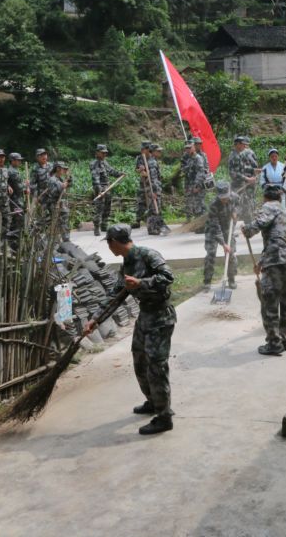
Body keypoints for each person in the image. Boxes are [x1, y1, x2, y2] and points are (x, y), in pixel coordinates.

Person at [83, 224, 176, 435]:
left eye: (108, 242)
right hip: (145, 317)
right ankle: (153, 401)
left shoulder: (148, 255)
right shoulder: (127, 264)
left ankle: (164, 416)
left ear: (114, 242)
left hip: (160, 317)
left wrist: (141, 283)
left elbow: (168, 277)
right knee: (140, 360)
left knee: (156, 366)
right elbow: (116, 295)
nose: (108, 247)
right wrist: (95, 319)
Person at [241, 184, 286, 356]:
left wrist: (248, 229)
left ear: (265, 197)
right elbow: (279, 239)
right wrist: (261, 262)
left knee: (270, 303)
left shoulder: (268, 207)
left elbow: (259, 224)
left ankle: (274, 343)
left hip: (276, 262)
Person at [203, 182, 238, 291]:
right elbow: (215, 226)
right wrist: (223, 244)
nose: (224, 200)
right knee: (210, 255)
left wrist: (235, 212)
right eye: (222, 198)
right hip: (213, 230)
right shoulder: (213, 204)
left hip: (227, 228)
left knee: (231, 255)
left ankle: (231, 280)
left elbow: (239, 205)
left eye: (226, 197)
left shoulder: (235, 197)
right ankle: (207, 282)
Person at [89, 144, 124, 237]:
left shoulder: (105, 163)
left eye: (105, 153)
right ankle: (96, 227)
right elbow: (95, 178)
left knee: (107, 207)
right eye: (103, 153)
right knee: (99, 208)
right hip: (100, 188)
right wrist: (99, 189)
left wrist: (120, 174)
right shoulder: (94, 164)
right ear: (97, 153)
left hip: (108, 188)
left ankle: (104, 225)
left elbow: (111, 171)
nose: (104, 155)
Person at [229, 135, 258, 223]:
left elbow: (244, 168)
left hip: (245, 185)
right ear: (237, 144)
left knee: (247, 207)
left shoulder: (241, 154)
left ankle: (248, 227)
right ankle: (231, 232)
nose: (244, 146)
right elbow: (233, 173)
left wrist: (254, 171)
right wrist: (247, 179)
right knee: (236, 208)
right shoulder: (234, 156)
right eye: (242, 144)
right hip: (238, 186)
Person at [42, 161, 71, 243]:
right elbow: (52, 193)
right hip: (55, 205)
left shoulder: (60, 179)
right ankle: (55, 242)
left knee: (64, 223)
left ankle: (65, 240)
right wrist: (61, 187)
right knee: (56, 224)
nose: (64, 170)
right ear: (58, 168)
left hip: (62, 205)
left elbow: (69, 185)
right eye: (62, 168)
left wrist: (68, 179)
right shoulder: (52, 179)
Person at [147, 144, 169, 235]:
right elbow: (153, 178)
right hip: (154, 189)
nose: (160, 152)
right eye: (158, 151)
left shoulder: (154, 161)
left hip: (155, 188)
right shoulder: (152, 162)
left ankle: (156, 227)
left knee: (156, 208)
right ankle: (152, 229)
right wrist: (155, 191)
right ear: (153, 151)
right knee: (154, 209)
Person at [183, 140, 207, 220]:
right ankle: (196, 223)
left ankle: (201, 225)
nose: (188, 150)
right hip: (190, 185)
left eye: (190, 148)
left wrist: (197, 186)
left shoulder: (198, 158)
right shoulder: (190, 159)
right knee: (194, 205)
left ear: (193, 148)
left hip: (197, 186)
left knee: (199, 205)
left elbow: (201, 172)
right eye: (186, 148)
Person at [7, 152, 27, 244]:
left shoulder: (14, 170)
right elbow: (18, 187)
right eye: (18, 160)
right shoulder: (12, 172)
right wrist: (25, 185)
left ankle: (16, 242)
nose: (20, 162)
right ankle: (14, 243)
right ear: (12, 161)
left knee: (17, 221)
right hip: (15, 200)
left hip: (17, 199)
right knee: (18, 221)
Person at [134, 141, 153, 229]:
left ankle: (151, 220)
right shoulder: (140, 158)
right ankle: (137, 220)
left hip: (152, 183)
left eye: (144, 149)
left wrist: (148, 174)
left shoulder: (152, 158)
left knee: (151, 202)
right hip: (143, 183)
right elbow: (137, 170)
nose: (142, 150)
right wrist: (141, 170)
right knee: (140, 201)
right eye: (141, 149)